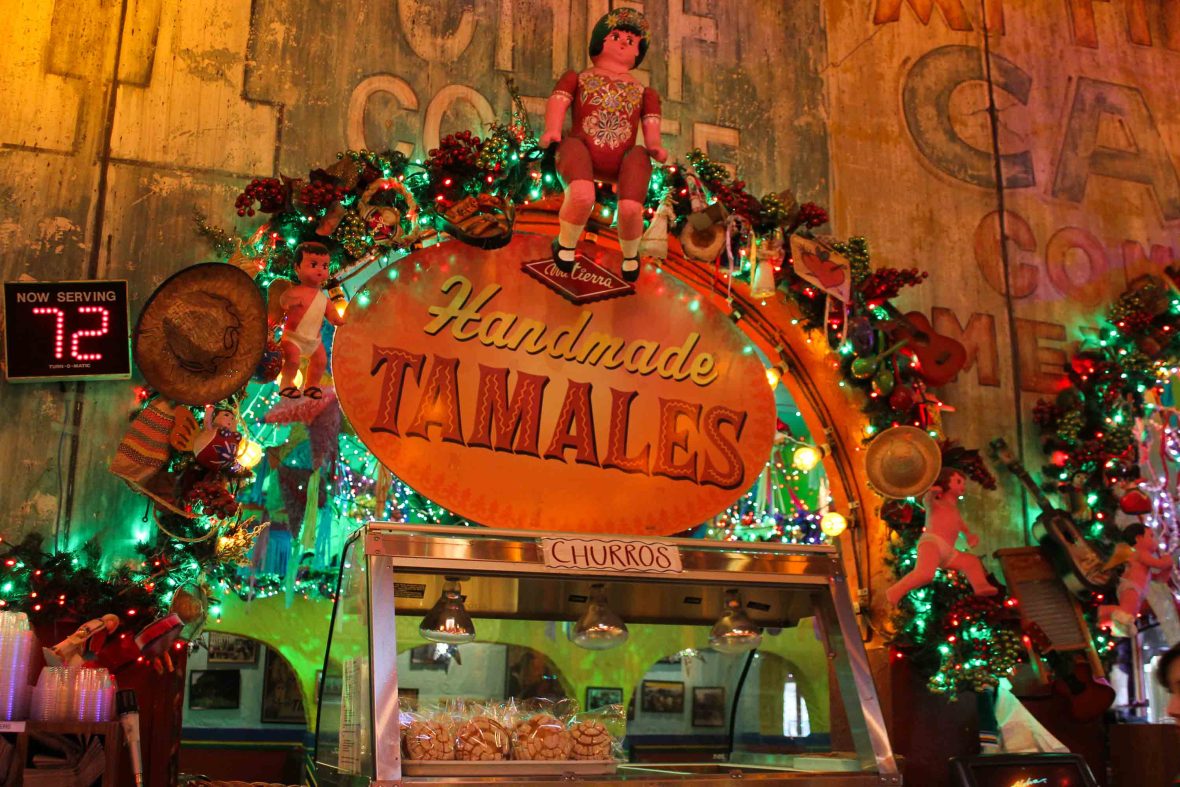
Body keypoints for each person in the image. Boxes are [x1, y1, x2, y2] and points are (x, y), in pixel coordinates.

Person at [540, 8, 667, 283]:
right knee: (583, 195)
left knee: (632, 206)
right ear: (600, 42)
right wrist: (551, 130)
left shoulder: (643, 91)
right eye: (616, 36)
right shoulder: (580, 78)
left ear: (637, 53)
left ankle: (631, 254)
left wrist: (654, 146)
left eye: (631, 41)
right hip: (581, 150)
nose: (624, 42)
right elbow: (559, 101)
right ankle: (565, 243)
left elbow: (651, 123)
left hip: (622, 162)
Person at [885, 468, 998, 605]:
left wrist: (968, 536)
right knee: (925, 574)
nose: (963, 486)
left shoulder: (954, 509)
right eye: (958, 482)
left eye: (963, 483)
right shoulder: (937, 503)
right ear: (945, 482)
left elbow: (960, 525)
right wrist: (932, 494)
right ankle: (895, 591)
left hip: (948, 551)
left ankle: (981, 586)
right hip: (932, 543)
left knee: (971, 561)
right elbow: (928, 503)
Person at [276, 242, 344, 399]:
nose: (320, 270)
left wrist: (336, 319)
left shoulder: (323, 298)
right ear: (297, 268)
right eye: (313, 265)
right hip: (293, 338)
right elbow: (283, 299)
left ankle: (312, 386)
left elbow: (331, 312)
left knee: (320, 361)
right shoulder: (296, 291)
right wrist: (289, 303)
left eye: (325, 266)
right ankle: (286, 384)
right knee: (292, 361)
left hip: (314, 340)